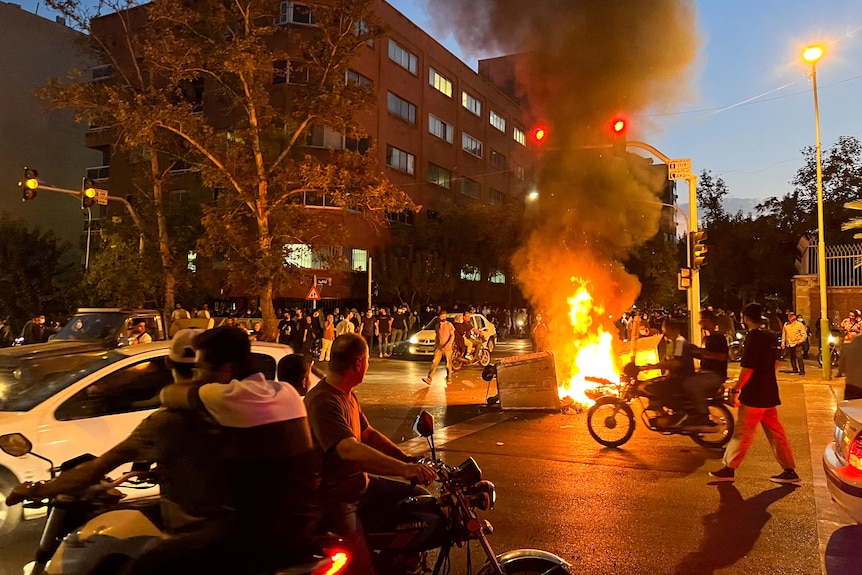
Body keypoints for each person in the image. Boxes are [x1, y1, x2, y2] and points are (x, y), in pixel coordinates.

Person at [4, 329, 243, 573]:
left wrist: (36, 489)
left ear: (168, 362)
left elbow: (94, 469)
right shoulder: (241, 412)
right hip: (238, 531)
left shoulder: (168, 422)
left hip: (197, 537)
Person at [159, 326, 319, 573]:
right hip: (304, 530)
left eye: (201, 368)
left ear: (227, 369)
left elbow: (169, 394)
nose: (198, 376)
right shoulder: (286, 392)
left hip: (255, 542)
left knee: (152, 562)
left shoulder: (225, 396)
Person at [304, 333, 436, 574]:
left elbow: (367, 434)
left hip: (360, 484)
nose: (368, 365)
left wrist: (407, 459)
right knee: (363, 570)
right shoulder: (324, 400)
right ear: (358, 363)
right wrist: (403, 470)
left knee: (420, 500)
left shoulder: (346, 394)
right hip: (338, 498)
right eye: (368, 360)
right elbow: (348, 449)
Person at [709, 303, 800, 484]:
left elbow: (748, 368)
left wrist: (736, 388)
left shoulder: (753, 338)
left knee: (742, 432)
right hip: (769, 392)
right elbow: (775, 364)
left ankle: (729, 468)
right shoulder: (770, 336)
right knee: (776, 433)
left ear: (745, 318)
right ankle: (789, 469)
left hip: (754, 395)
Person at [639, 318, 696, 425]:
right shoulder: (671, 344)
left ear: (673, 330)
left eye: (665, 331)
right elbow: (666, 361)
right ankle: (661, 413)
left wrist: (654, 366)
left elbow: (676, 363)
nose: (664, 334)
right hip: (672, 376)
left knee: (658, 389)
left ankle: (675, 415)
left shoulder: (679, 343)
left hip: (681, 378)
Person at [682, 311, 727, 431]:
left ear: (710, 321)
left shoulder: (719, 338)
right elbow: (705, 356)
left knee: (691, 384)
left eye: (703, 319)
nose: (700, 322)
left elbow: (721, 357)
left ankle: (703, 415)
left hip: (715, 375)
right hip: (705, 373)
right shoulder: (706, 338)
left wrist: (700, 351)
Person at [422, 310, 455, 385]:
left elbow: (452, 335)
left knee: (448, 364)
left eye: (444, 315)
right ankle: (429, 378)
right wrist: (435, 346)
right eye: (442, 316)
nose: (443, 317)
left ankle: (449, 378)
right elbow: (437, 336)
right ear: (439, 317)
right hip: (439, 347)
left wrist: (449, 343)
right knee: (434, 363)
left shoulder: (449, 325)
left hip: (447, 348)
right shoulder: (437, 325)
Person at [781, 311, 807, 376]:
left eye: (791, 316)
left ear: (794, 317)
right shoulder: (786, 325)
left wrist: (801, 341)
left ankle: (802, 371)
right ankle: (794, 369)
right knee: (792, 357)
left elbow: (804, 334)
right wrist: (783, 342)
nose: (790, 317)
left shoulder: (799, 325)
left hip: (797, 343)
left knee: (799, 357)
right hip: (789, 343)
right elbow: (784, 334)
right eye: (789, 316)